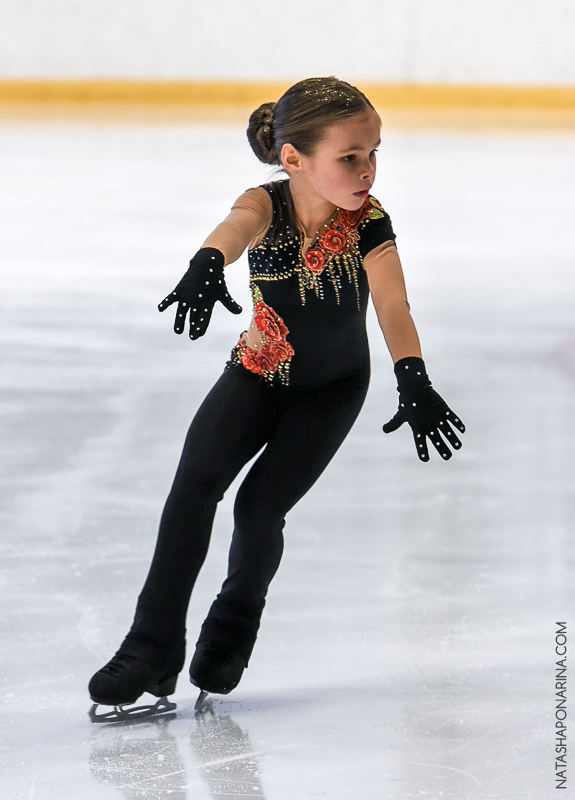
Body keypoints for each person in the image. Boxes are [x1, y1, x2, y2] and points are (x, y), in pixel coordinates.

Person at [88, 76, 465, 713]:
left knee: (259, 510)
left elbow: (392, 303)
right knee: (192, 490)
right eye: (350, 157)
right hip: (255, 372)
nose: (367, 170)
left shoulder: (370, 223)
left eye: (374, 153)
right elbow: (237, 226)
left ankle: (231, 630)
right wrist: (209, 260)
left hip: (332, 391)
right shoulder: (267, 202)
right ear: (294, 158)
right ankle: (151, 646)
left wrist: (413, 375)